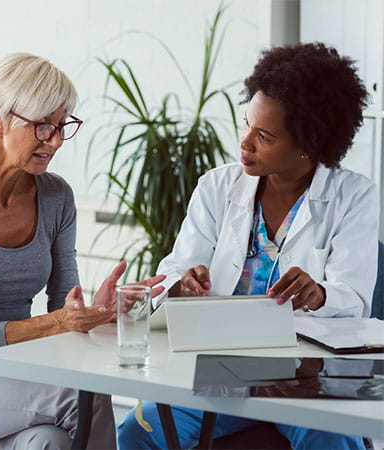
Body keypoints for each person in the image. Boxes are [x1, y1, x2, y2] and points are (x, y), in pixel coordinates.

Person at [118, 42, 378, 449]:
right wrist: (182, 285)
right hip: (222, 369)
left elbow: (355, 297)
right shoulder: (217, 188)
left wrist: (319, 292)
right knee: (140, 430)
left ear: (307, 144)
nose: (245, 143)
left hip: (309, 373)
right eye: (246, 125)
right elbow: (171, 271)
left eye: (264, 136)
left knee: (332, 440)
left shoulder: (353, 197)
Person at [0, 52, 164, 449]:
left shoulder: (56, 195)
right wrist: (61, 321)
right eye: (42, 126)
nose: (55, 140)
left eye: (62, 126)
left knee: (50, 442)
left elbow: (64, 306)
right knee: (80, 396)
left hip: (8, 378)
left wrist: (96, 314)